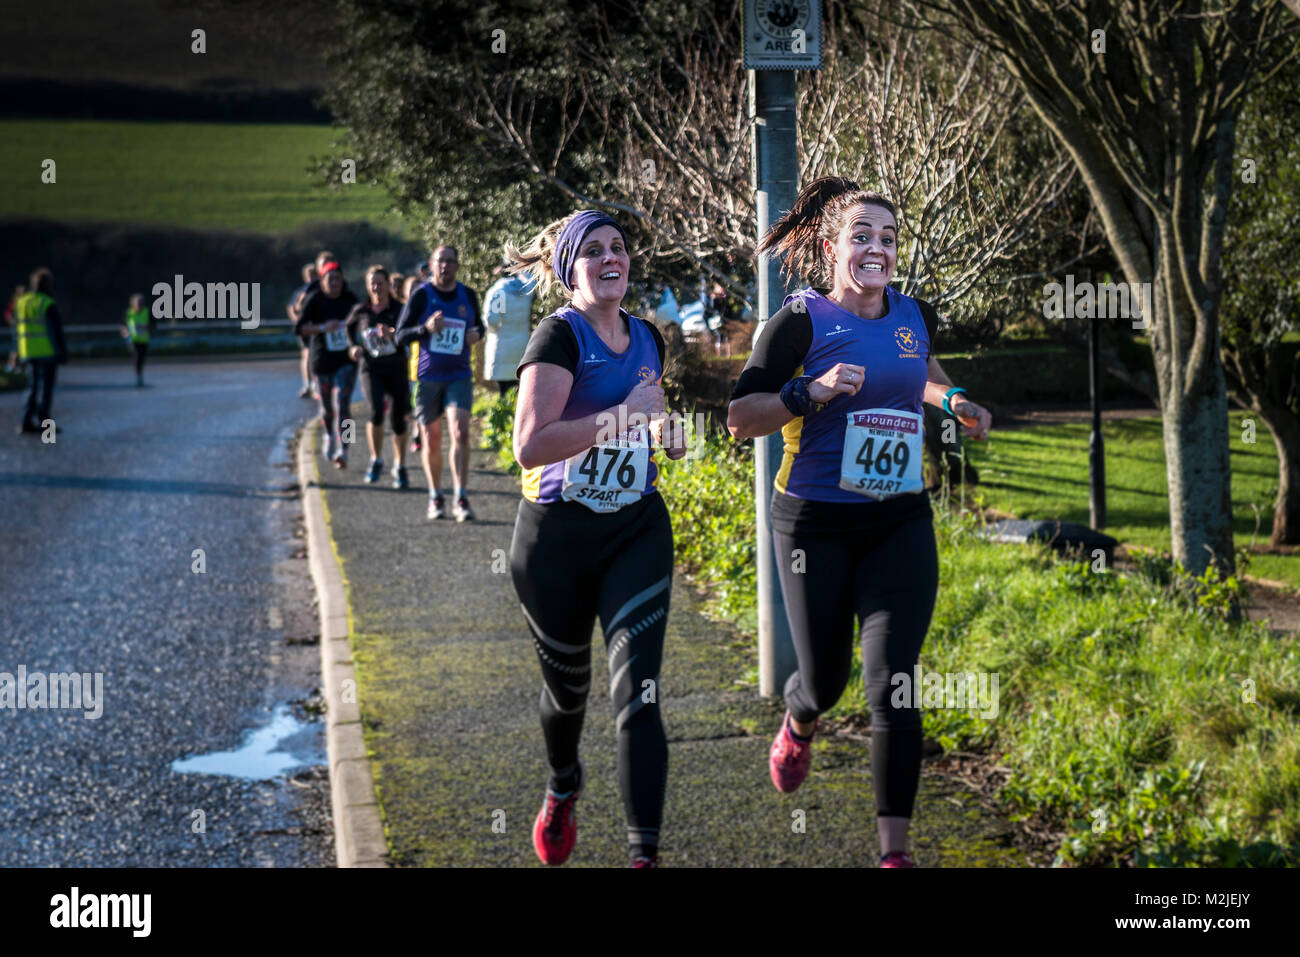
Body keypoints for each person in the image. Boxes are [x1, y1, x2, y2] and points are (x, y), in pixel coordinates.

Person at [726, 176, 992, 868]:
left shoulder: (911, 312)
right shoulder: (799, 323)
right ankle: (799, 718)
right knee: (826, 680)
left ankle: (892, 853)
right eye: (862, 235)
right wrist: (806, 392)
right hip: (813, 526)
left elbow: (918, 365)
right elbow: (738, 419)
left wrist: (954, 398)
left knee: (893, 679)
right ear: (831, 244)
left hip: (899, 520)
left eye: (889, 237)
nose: (877, 248)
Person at [507, 209, 688, 868]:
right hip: (555, 542)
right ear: (567, 272)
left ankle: (644, 855)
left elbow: (656, 424)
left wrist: (668, 435)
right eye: (594, 251)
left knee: (638, 693)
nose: (612, 258)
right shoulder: (557, 338)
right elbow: (530, 446)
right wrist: (621, 419)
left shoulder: (647, 337)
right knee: (567, 695)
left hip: (635, 531)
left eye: (619, 247)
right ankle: (563, 784)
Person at [395, 246, 484, 522]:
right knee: (432, 439)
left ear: (457, 266)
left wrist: (475, 334)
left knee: (460, 432)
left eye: (449, 261)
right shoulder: (422, 295)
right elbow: (400, 335)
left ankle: (461, 496)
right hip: (427, 377)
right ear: (431, 266)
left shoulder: (467, 295)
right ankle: (436, 495)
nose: (444, 266)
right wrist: (425, 330)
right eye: (439, 261)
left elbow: (480, 326)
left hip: (459, 375)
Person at [346, 266, 411, 488]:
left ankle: (400, 465)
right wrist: (353, 347)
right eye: (372, 283)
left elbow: (409, 333)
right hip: (370, 367)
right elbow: (348, 328)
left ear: (387, 285)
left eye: (380, 283)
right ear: (367, 286)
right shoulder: (362, 310)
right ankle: (376, 459)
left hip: (395, 367)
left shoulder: (400, 308)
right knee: (375, 412)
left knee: (398, 420)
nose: (376, 287)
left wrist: (393, 334)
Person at [295, 261, 361, 468]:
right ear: (322, 282)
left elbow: (364, 320)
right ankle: (330, 436)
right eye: (329, 279)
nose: (334, 283)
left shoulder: (351, 300)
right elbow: (300, 329)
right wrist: (324, 327)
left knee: (343, 405)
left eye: (337, 279)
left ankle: (346, 448)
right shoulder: (315, 300)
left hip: (346, 360)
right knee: (327, 409)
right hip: (321, 360)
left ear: (343, 281)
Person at [15, 268, 68, 435]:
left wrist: (17, 351)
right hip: (46, 351)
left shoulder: (22, 302)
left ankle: (25, 421)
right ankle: (45, 425)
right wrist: (62, 352)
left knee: (31, 387)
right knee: (45, 389)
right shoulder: (46, 303)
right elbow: (56, 330)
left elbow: (16, 329)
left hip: (27, 351)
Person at [483, 259, 535, 396]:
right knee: (519, 389)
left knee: (504, 392)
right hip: (522, 344)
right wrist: (520, 268)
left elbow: (491, 320)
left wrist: (493, 332)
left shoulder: (498, 291)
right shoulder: (525, 290)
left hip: (502, 347)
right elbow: (531, 280)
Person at [288, 263, 319, 398]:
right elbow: (292, 308)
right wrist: (298, 322)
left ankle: (316, 384)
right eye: (310, 275)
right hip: (305, 327)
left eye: (314, 274)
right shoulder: (301, 292)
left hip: (317, 327)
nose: (312, 277)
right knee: (306, 354)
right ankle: (307, 384)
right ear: (305, 277)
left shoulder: (319, 290)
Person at [119, 293, 154, 386]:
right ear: (133, 303)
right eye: (138, 303)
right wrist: (126, 335)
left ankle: (139, 374)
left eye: (142, 303)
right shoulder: (128, 313)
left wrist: (145, 327)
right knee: (137, 356)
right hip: (132, 340)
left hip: (144, 340)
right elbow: (123, 327)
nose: (140, 305)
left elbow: (153, 326)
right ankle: (138, 376)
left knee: (141, 358)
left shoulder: (147, 312)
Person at [4, 284, 24, 373]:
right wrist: (12, 321)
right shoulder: (15, 302)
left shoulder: (25, 301)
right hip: (16, 329)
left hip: (23, 329)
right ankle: (10, 367)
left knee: (19, 348)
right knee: (15, 348)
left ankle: (16, 367)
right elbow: (7, 314)